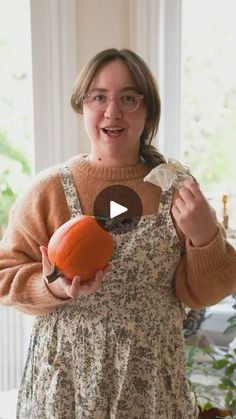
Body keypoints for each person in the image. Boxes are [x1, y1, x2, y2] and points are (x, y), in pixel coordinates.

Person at [0, 48, 236, 419]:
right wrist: (53, 286)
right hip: (66, 387)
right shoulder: (48, 190)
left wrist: (205, 238)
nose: (113, 112)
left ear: (148, 111)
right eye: (99, 97)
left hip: (152, 386)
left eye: (129, 98)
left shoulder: (177, 189)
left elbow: (205, 292)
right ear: (82, 106)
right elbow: (5, 275)